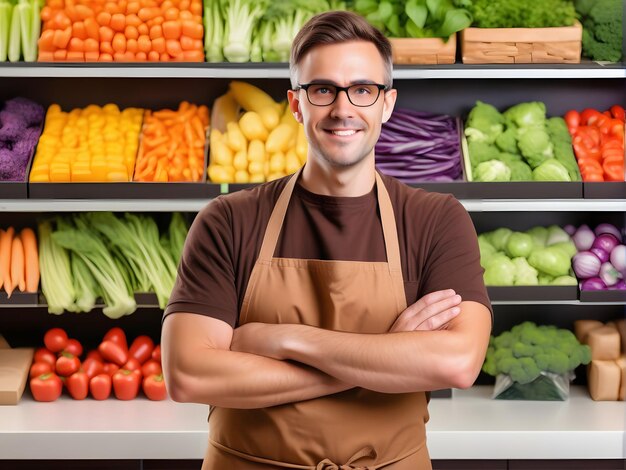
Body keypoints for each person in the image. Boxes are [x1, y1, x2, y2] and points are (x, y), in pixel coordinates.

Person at [162, 10, 492, 470]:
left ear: (387, 103)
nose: (343, 109)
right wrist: (384, 354)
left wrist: (282, 339)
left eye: (362, 90)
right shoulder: (228, 221)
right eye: (322, 90)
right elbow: (188, 374)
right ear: (296, 104)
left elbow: (457, 362)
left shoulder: (435, 220)